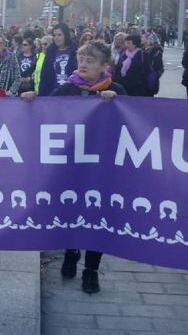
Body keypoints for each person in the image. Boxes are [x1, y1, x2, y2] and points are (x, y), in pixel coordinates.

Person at [25, 41, 122, 294]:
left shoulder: (117, 90)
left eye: (90, 60)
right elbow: (44, 113)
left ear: (104, 66)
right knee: (71, 211)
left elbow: (137, 120)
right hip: (71, 167)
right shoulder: (65, 89)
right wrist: (32, 99)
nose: (83, 64)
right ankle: (70, 250)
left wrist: (117, 101)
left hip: (102, 169)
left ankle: (90, 270)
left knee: (97, 218)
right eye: (81, 59)